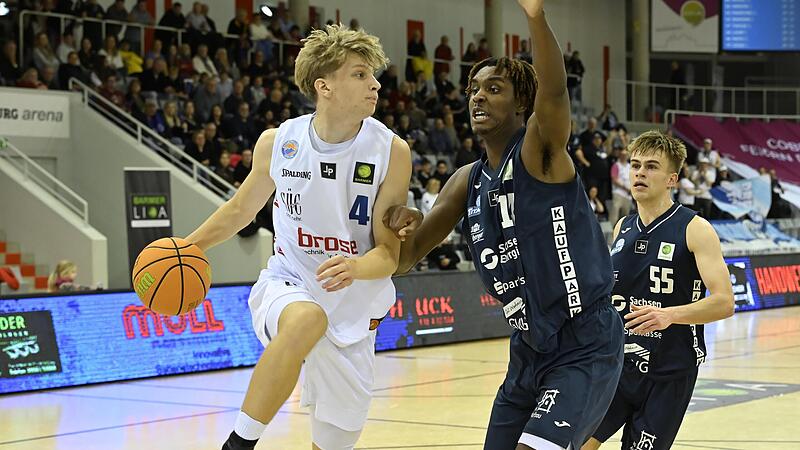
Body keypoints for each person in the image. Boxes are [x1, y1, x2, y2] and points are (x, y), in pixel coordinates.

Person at [383, 1, 623, 449]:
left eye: (494, 89)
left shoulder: (538, 151)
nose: (478, 96)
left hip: (584, 343)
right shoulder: (465, 181)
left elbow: (554, 93)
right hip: (527, 349)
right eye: (474, 89)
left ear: (522, 104)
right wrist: (397, 224)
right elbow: (404, 258)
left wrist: (535, 16)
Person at [184, 24, 411, 450]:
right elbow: (241, 210)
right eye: (360, 74)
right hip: (290, 281)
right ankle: (237, 444)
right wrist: (188, 247)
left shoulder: (391, 151)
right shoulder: (278, 142)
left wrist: (355, 267)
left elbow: (388, 255)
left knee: (334, 442)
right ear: (325, 86)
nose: (376, 84)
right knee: (307, 318)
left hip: (354, 303)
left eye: (372, 74)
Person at [582, 130, 734, 450]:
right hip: (618, 366)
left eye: (651, 167)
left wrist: (669, 315)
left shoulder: (695, 229)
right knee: (577, 443)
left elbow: (724, 302)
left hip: (669, 371)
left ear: (672, 179)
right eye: (635, 165)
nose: (640, 173)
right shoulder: (623, 227)